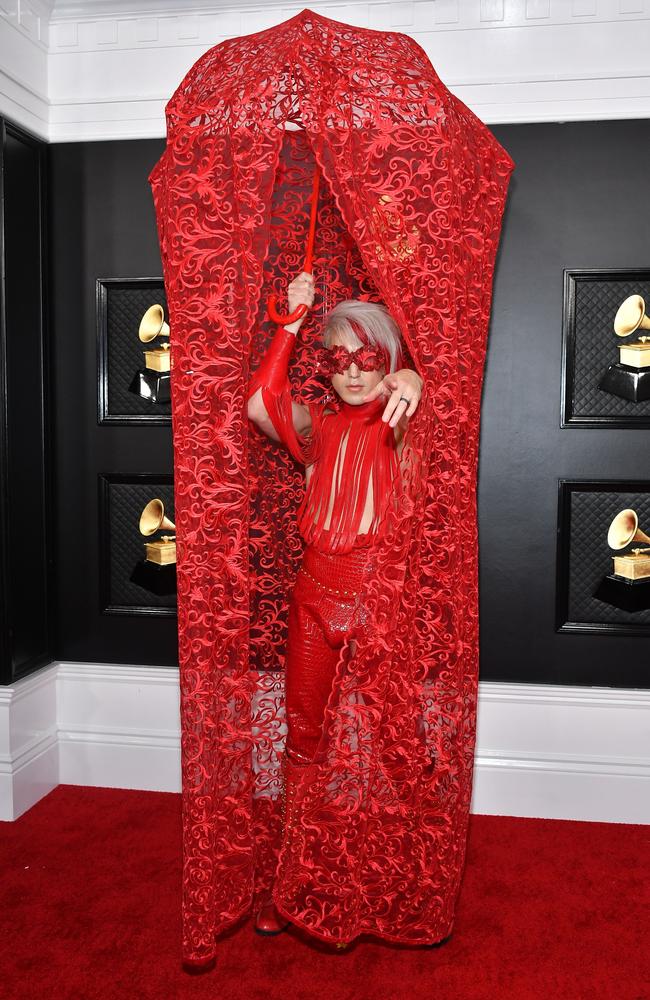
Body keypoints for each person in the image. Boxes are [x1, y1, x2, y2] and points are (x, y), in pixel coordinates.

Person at [247, 271, 423, 937]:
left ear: (389, 358)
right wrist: (292, 324)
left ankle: (391, 875)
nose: (352, 372)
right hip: (314, 598)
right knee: (304, 738)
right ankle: (293, 877)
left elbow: (446, 419)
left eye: (368, 357)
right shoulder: (318, 426)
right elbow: (261, 406)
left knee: (389, 742)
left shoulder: (405, 427)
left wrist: (418, 383)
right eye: (340, 358)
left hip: (381, 603)